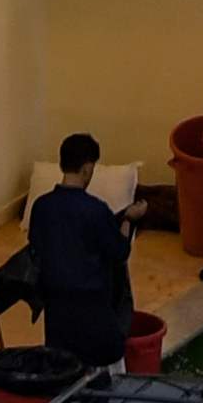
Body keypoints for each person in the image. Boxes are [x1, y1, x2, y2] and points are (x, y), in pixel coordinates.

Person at [24, 131, 136, 366]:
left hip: (56, 313)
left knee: (62, 368)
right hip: (93, 312)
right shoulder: (95, 210)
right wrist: (127, 220)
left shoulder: (41, 207)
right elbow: (119, 252)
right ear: (87, 168)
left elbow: (36, 248)